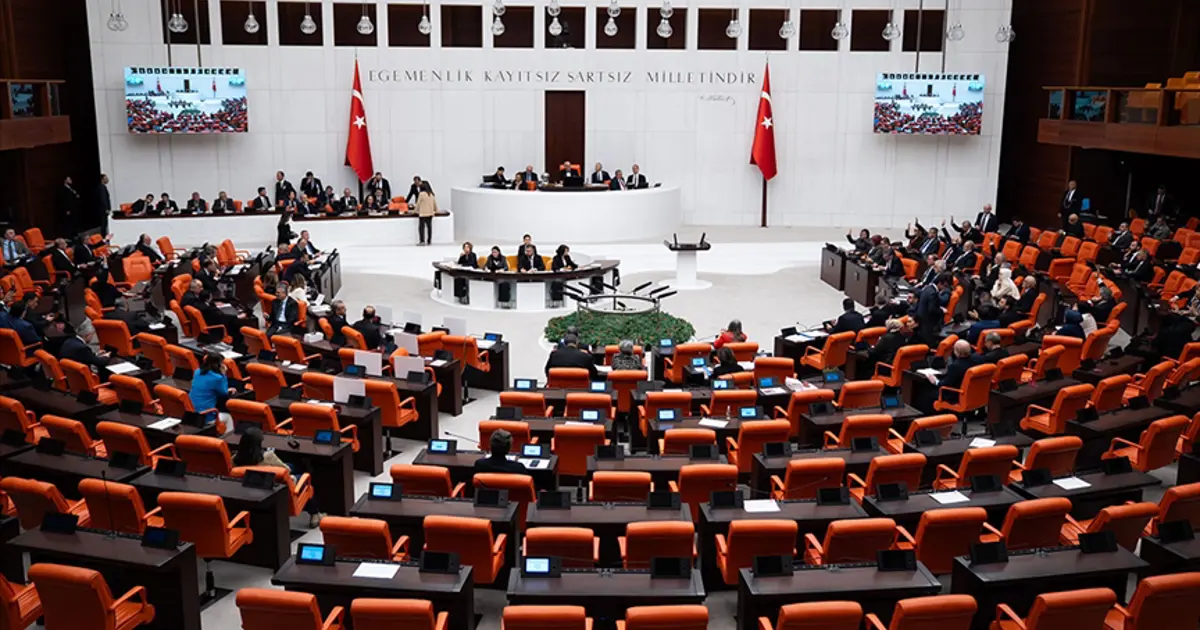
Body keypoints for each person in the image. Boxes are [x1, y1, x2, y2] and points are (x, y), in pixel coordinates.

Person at [233, 426, 324, 527]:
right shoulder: (268, 457)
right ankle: (315, 514)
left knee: (293, 465)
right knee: (301, 476)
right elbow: (286, 471)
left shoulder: (234, 461)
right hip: (278, 493)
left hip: (253, 495)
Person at [189, 352, 234, 422]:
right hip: (206, 414)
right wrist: (224, 374)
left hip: (190, 412)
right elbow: (224, 393)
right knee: (228, 417)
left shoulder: (197, 372)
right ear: (218, 365)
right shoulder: (218, 378)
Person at [416, 181, 438, 246]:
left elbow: (418, 204)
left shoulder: (421, 194)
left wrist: (415, 211)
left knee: (421, 227)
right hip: (430, 213)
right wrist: (435, 211)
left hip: (422, 213)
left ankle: (422, 241)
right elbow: (435, 204)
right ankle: (429, 240)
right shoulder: (431, 194)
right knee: (429, 227)